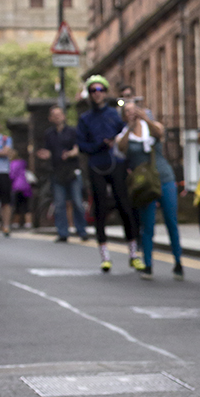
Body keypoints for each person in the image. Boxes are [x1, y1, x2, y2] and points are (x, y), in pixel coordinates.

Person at [77, 75, 144, 272]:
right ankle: (104, 256)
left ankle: (133, 253)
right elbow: (82, 145)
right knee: (100, 209)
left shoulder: (115, 115)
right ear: (89, 95)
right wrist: (99, 144)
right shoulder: (85, 119)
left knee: (125, 206)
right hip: (96, 165)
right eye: (92, 90)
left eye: (100, 90)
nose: (97, 93)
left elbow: (126, 138)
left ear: (106, 93)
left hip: (117, 164)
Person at [116, 100, 183, 280]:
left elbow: (159, 133)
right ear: (124, 116)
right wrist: (131, 127)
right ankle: (148, 264)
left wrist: (145, 119)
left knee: (171, 221)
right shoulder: (124, 135)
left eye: (134, 110)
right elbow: (121, 149)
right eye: (128, 111)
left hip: (165, 178)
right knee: (148, 225)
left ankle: (178, 262)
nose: (132, 113)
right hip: (144, 184)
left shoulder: (152, 126)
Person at [36, 106, 88, 242]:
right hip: (57, 172)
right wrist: (46, 155)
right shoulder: (49, 134)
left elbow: (78, 148)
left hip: (72, 171)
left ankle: (81, 230)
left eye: (59, 114)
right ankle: (63, 232)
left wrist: (71, 153)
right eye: (54, 115)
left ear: (64, 116)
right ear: (50, 118)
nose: (57, 117)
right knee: (59, 204)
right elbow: (47, 151)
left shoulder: (72, 131)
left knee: (77, 202)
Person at [0, 116, 13, 236]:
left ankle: (6, 226)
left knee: (6, 201)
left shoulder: (6, 139)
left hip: (3, 172)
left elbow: (6, 152)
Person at [9, 152, 33, 229]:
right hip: (26, 186)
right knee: (26, 205)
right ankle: (28, 223)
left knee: (17, 205)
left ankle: (16, 223)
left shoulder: (12, 164)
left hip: (17, 186)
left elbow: (11, 175)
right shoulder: (22, 163)